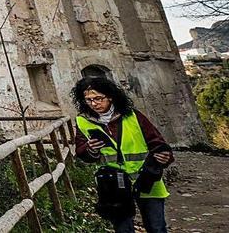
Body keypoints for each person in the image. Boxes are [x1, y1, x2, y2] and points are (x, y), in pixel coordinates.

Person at [72, 76, 174, 233]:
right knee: (123, 229)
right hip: (113, 183)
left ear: (110, 97)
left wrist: (164, 156)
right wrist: (90, 148)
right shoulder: (83, 121)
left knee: (156, 227)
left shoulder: (133, 116)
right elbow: (81, 152)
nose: (94, 103)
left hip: (146, 178)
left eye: (99, 98)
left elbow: (157, 143)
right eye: (89, 100)